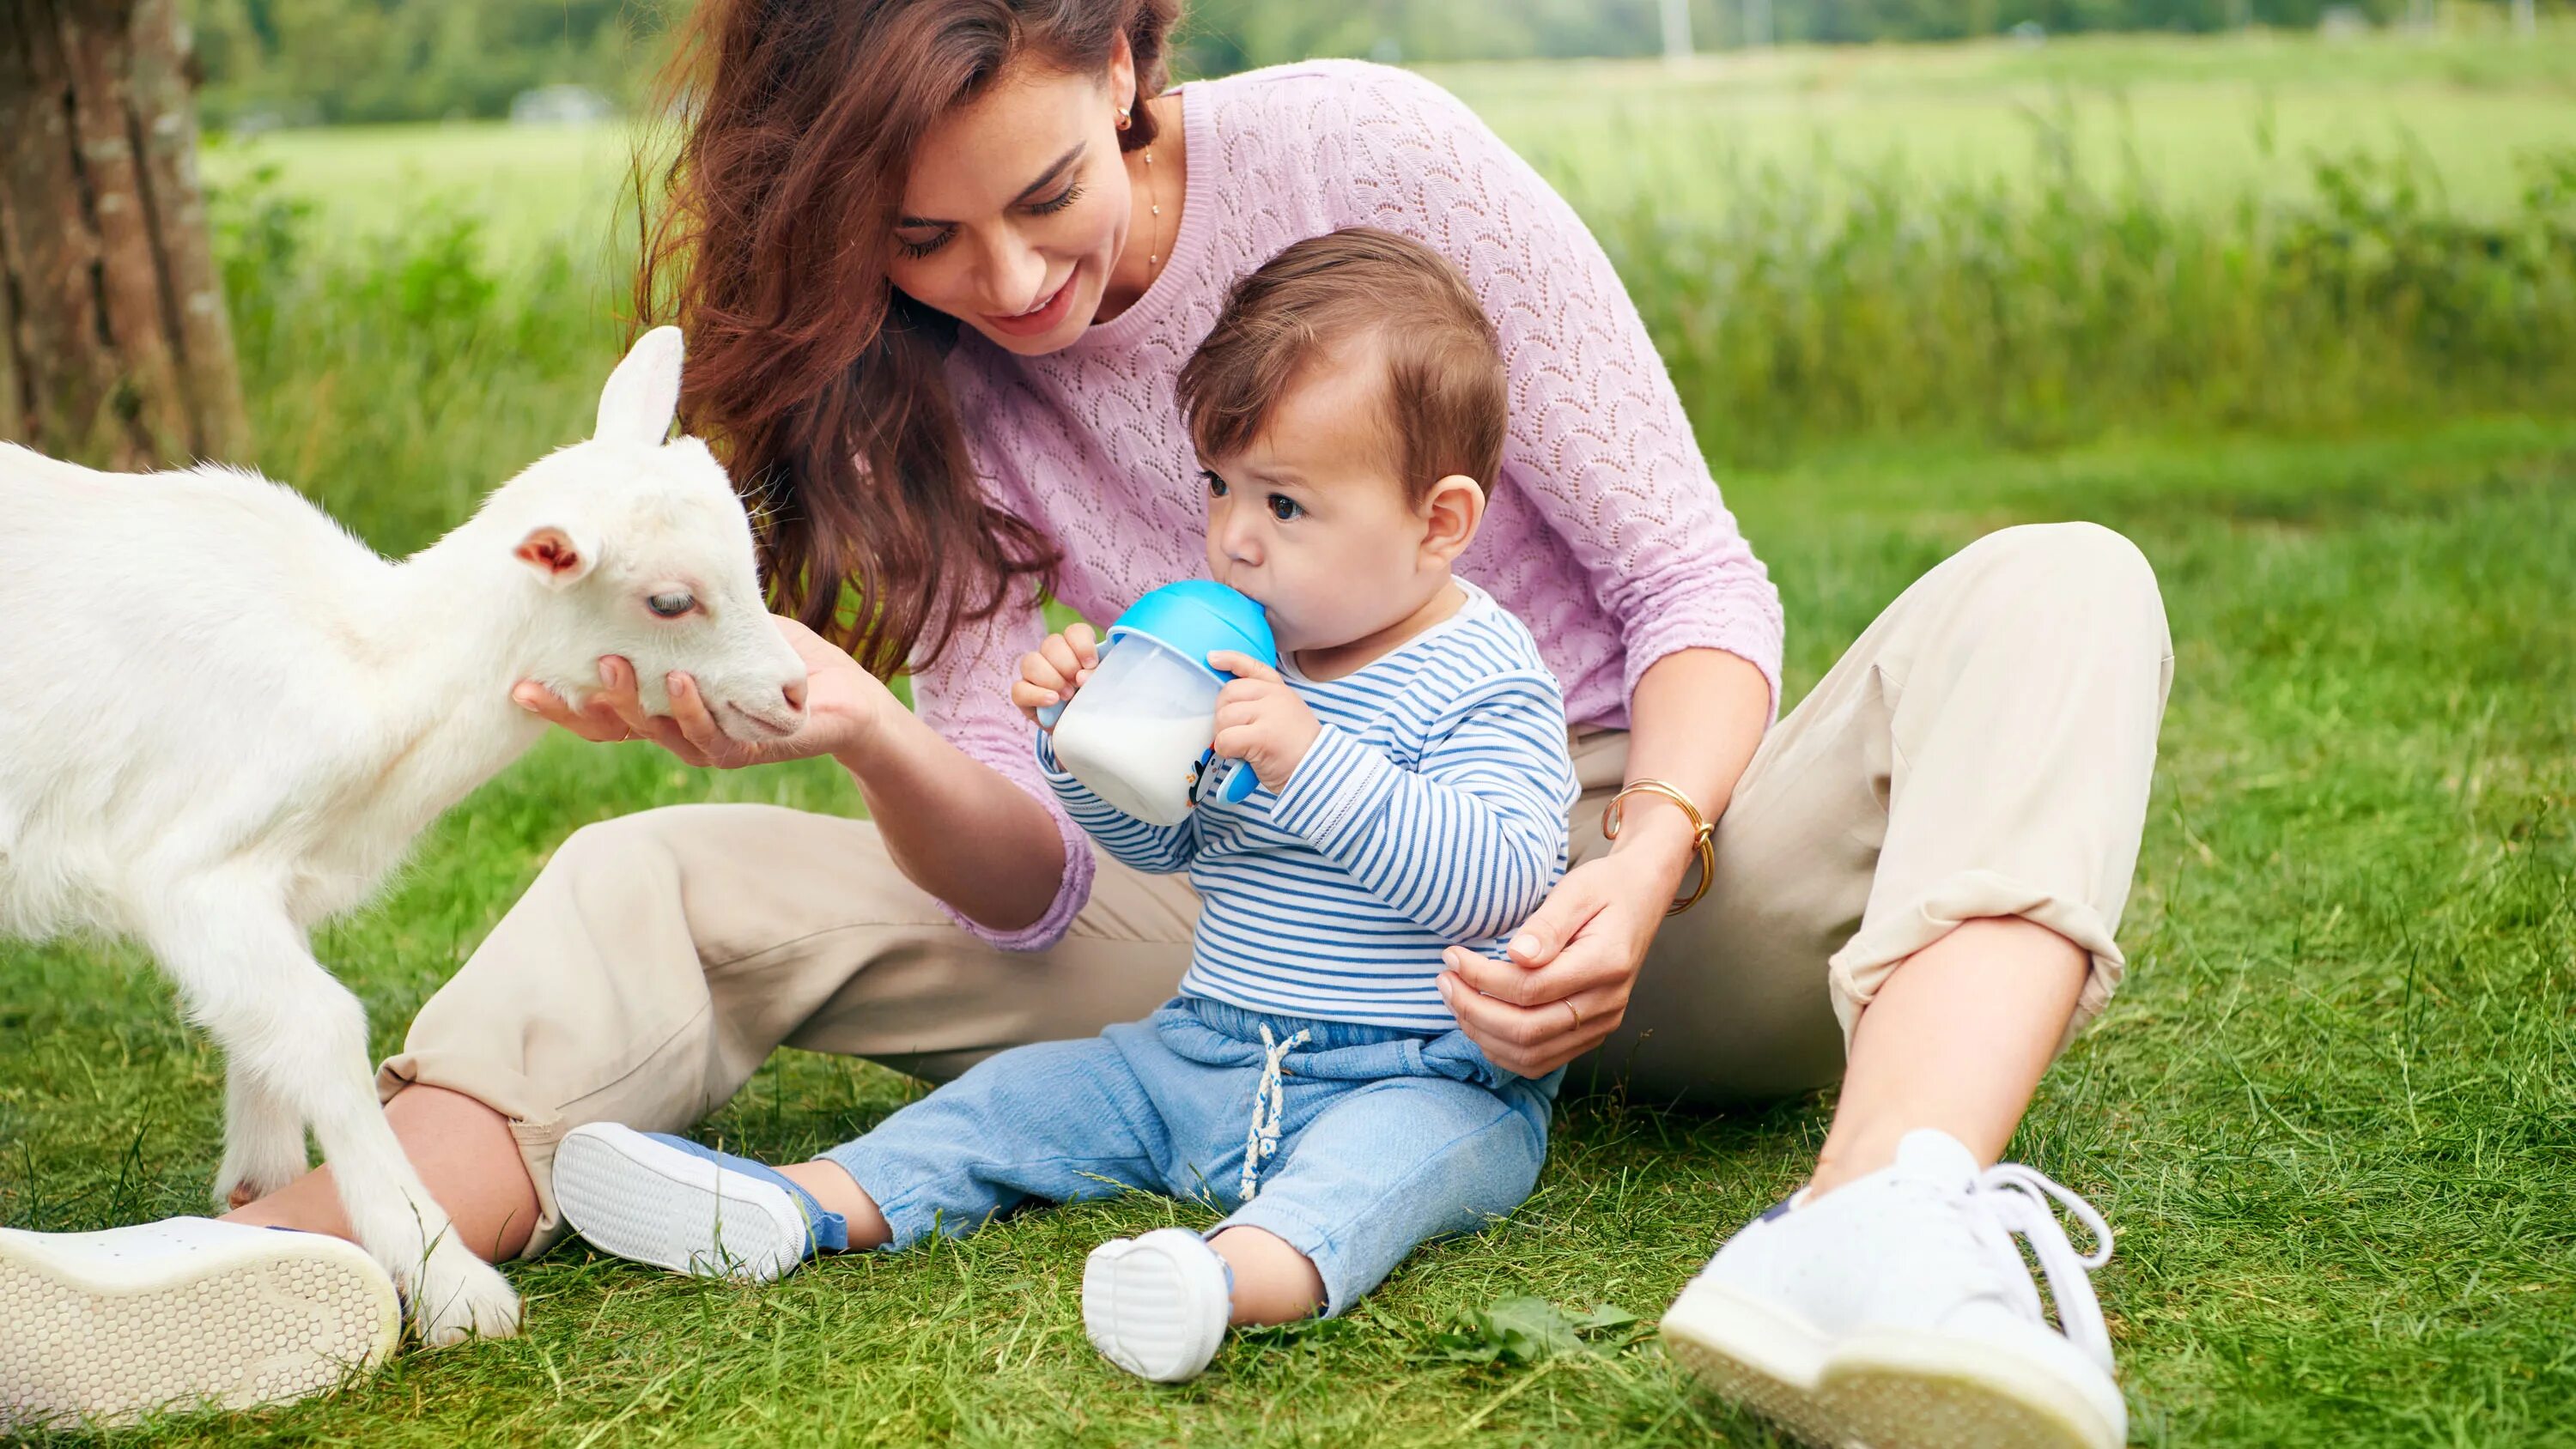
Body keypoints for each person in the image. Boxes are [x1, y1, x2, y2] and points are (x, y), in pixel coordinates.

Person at [13, 2, 2170, 1444]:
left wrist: (1647, 854)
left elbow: (1697, 585)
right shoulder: (917, 384)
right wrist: (874, 732)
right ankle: (307, 1247)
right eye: (926, 242)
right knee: (642, 871)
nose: (1014, 283)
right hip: (1221, 921)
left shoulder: (1362, 149)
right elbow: (1047, 874)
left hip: (1606, 874)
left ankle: (1889, 1210)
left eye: (1045, 197)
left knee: (2066, 581)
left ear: (1132, 47)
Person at [547, 228, 1577, 1385]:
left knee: (1376, 1177)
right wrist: (1085, 748)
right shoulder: (1250, 652)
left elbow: (1498, 880)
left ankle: (1220, 1279)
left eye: (1285, 505)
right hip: (1204, 1050)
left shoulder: (1485, 674)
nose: (1234, 537)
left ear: (1438, 523)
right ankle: (799, 1208)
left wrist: (1314, 760)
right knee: (1023, 1098)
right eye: (1220, 486)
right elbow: (1171, 838)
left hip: (1410, 1071)